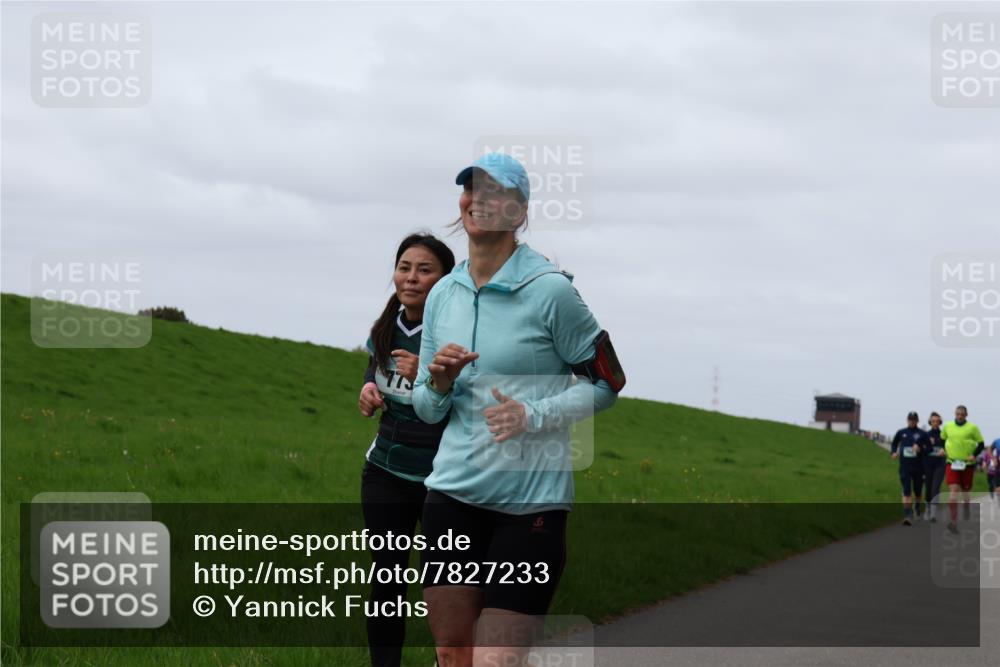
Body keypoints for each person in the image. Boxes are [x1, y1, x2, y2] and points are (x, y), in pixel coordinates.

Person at [411, 153, 622, 667]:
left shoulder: (552, 291)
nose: (478, 201)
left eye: (494, 193)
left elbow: (608, 381)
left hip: (531, 506)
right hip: (453, 495)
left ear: (518, 211)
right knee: (451, 652)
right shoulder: (443, 293)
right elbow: (425, 407)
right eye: (470, 190)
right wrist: (439, 383)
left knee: (497, 659)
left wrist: (534, 415)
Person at [357, 232, 456, 667]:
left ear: (446, 280)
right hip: (385, 471)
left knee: (446, 588)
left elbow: (467, 401)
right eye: (404, 267)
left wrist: (429, 376)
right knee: (387, 582)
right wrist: (366, 389)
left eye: (425, 269)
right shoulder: (384, 327)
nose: (411, 278)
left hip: (445, 478)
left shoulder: (454, 333)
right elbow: (374, 367)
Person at [942, 404, 986, 534]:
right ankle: (953, 522)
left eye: (962, 414)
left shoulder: (972, 428)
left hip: (967, 464)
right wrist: (942, 449)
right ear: (955, 414)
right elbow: (942, 439)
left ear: (966, 415)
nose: (960, 416)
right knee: (954, 491)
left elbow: (981, 444)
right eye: (957, 414)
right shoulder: (948, 426)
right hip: (952, 462)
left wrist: (974, 455)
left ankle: (966, 506)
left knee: (966, 492)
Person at [891, 411, 928, 525]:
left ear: (917, 421)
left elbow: (929, 448)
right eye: (910, 419)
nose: (912, 421)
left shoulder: (922, 433)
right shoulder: (901, 432)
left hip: (918, 467)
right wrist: (893, 452)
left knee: (917, 492)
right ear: (907, 420)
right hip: (905, 467)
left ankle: (917, 506)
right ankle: (907, 515)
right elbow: (894, 443)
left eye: (914, 419)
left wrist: (920, 449)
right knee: (906, 491)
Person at [923, 411, 948, 522]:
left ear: (940, 422)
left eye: (937, 421)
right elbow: (921, 449)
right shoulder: (926, 435)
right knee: (928, 488)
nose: (935, 423)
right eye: (933, 421)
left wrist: (945, 450)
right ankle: (927, 510)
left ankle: (933, 514)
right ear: (930, 422)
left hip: (940, 464)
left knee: (935, 487)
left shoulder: (944, 435)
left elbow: (950, 448)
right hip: (928, 464)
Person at [987, 440, 999, 505]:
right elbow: (989, 449)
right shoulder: (997, 442)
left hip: (996, 471)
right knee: (995, 487)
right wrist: (993, 459)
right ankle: (993, 498)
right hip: (994, 471)